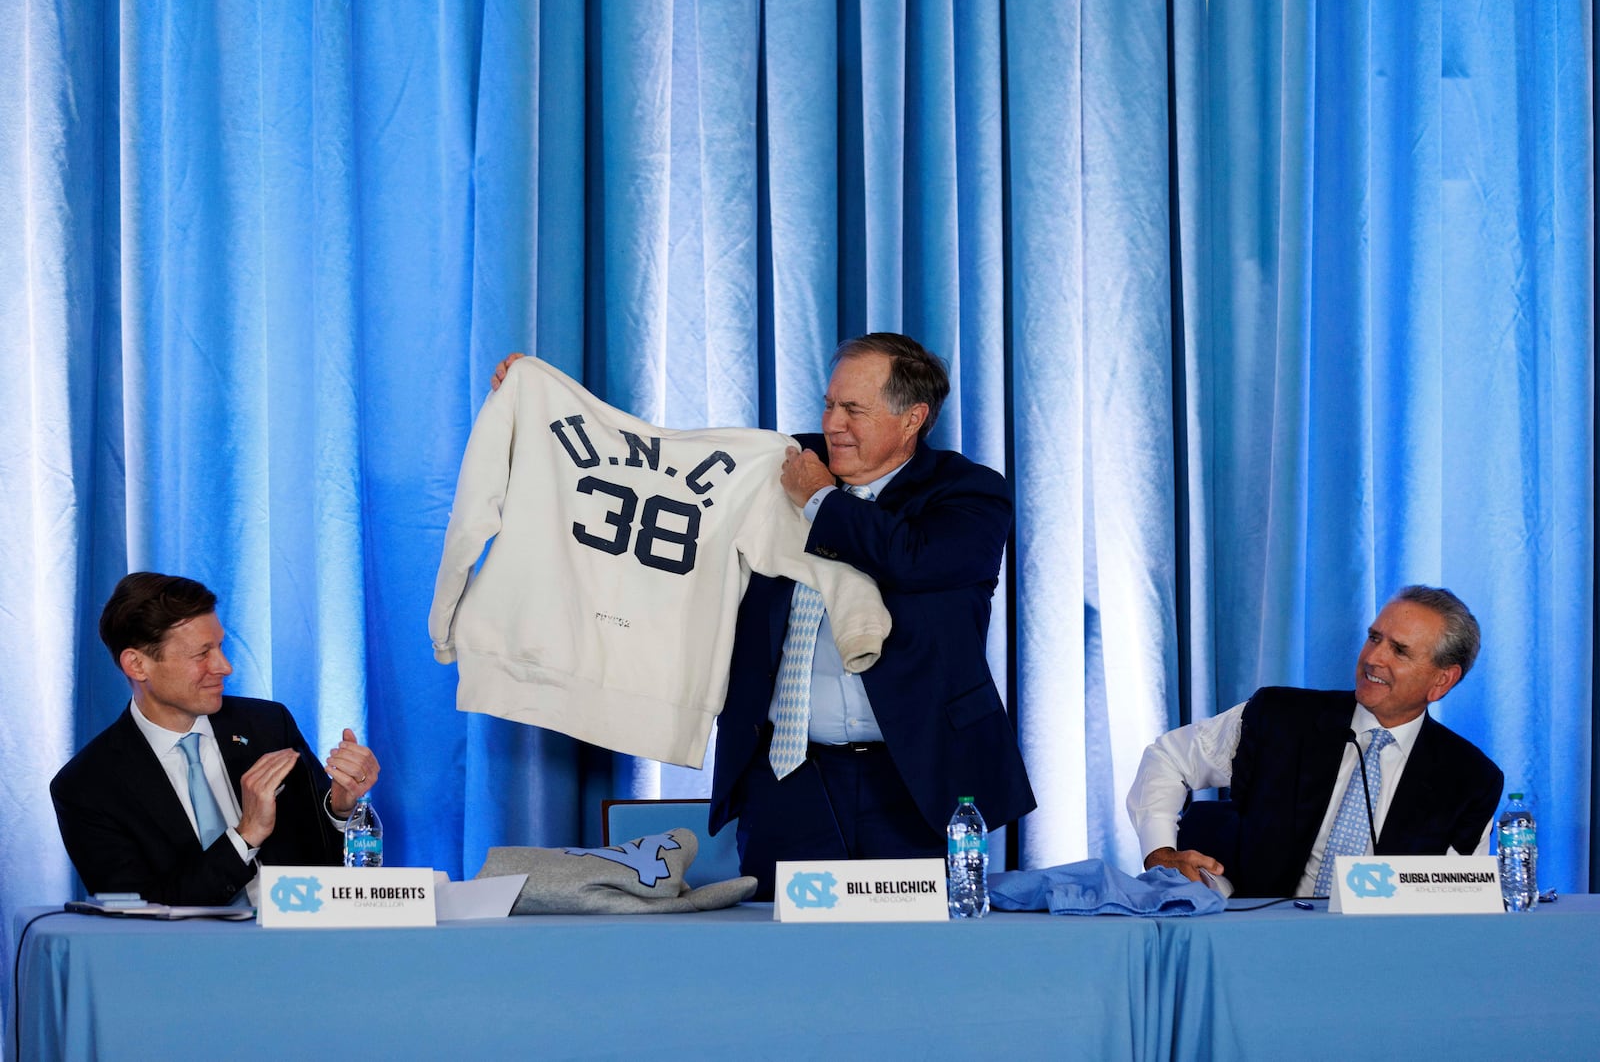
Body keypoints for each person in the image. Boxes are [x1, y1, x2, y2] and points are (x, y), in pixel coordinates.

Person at [491, 335, 1035, 899]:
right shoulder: (781, 465)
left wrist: (822, 499)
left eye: (855, 409)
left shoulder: (969, 492)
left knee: (913, 960)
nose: (833, 424)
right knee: (779, 960)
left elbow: (913, 559)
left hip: (916, 776)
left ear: (912, 419)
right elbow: (654, 460)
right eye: (828, 404)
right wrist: (538, 407)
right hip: (786, 774)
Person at [1126, 585, 1504, 898]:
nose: (1373, 658)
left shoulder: (1469, 778)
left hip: (1383, 958)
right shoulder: (1278, 716)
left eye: (1399, 650)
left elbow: (1462, 897)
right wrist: (1160, 852)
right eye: (1374, 638)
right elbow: (1168, 758)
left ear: (1441, 680)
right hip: (1258, 939)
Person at [51, 572, 381, 905]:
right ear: (137, 665)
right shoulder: (86, 786)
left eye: (220, 647)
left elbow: (326, 865)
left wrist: (340, 808)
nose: (224, 666)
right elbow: (143, 914)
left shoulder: (267, 725)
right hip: (187, 956)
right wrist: (245, 835)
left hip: (304, 946)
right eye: (201, 654)